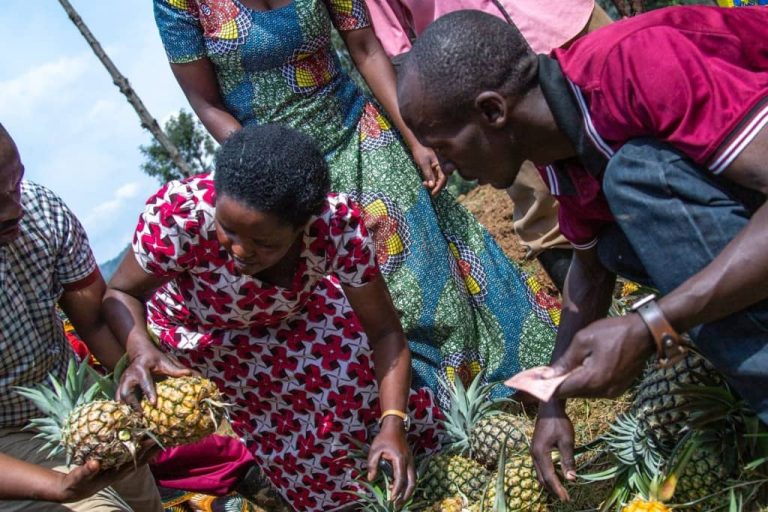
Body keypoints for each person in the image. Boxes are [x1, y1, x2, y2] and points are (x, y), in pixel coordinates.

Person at [395, 5, 768, 502]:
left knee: (636, 179)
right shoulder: (558, 141)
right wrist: (554, 393)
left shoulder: (638, 65)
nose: (447, 165)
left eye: (444, 144)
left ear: (491, 111)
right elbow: (590, 271)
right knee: (616, 241)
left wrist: (650, 325)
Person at [152, 0, 558, 401]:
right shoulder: (179, 4)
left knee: (425, 268)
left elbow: (365, 48)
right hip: (283, 172)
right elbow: (205, 102)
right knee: (369, 301)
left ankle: (502, 383)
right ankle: (424, 413)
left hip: (358, 133)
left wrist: (415, 138)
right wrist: (268, 176)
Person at [104, 124, 443, 511]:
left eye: (264, 243)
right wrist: (139, 348)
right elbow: (121, 290)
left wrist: (393, 423)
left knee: (363, 385)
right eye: (227, 229)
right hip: (214, 335)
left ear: (303, 226)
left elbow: (384, 334)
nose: (239, 251)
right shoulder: (180, 215)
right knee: (303, 447)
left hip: (297, 308)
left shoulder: (336, 227)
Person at [366, 0, 613, 291]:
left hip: (565, 19)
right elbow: (395, 46)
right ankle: (607, 318)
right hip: (471, 82)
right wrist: (421, 137)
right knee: (543, 210)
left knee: (639, 133)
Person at [0, 123, 162, 511]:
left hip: (77, 401)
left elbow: (95, 322)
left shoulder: (44, 212)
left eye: (15, 181)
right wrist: (56, 487)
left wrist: (139, 367)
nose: (14, 207)